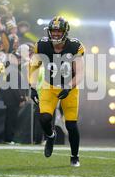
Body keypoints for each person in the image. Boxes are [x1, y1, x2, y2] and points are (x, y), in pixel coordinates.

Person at [29, 16, 85, 167]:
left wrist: (68, 87)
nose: (54, 34)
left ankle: (74, 155)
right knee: (44, 118)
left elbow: (79, 73)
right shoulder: (42, 45)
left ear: (65, 32)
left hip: (69, 88)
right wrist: (33, 87)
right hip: (49, 86)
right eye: (53, 31)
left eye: (58, 31)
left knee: (71, 125)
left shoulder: (75, 46)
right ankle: (50, 136)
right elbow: (34, 66)